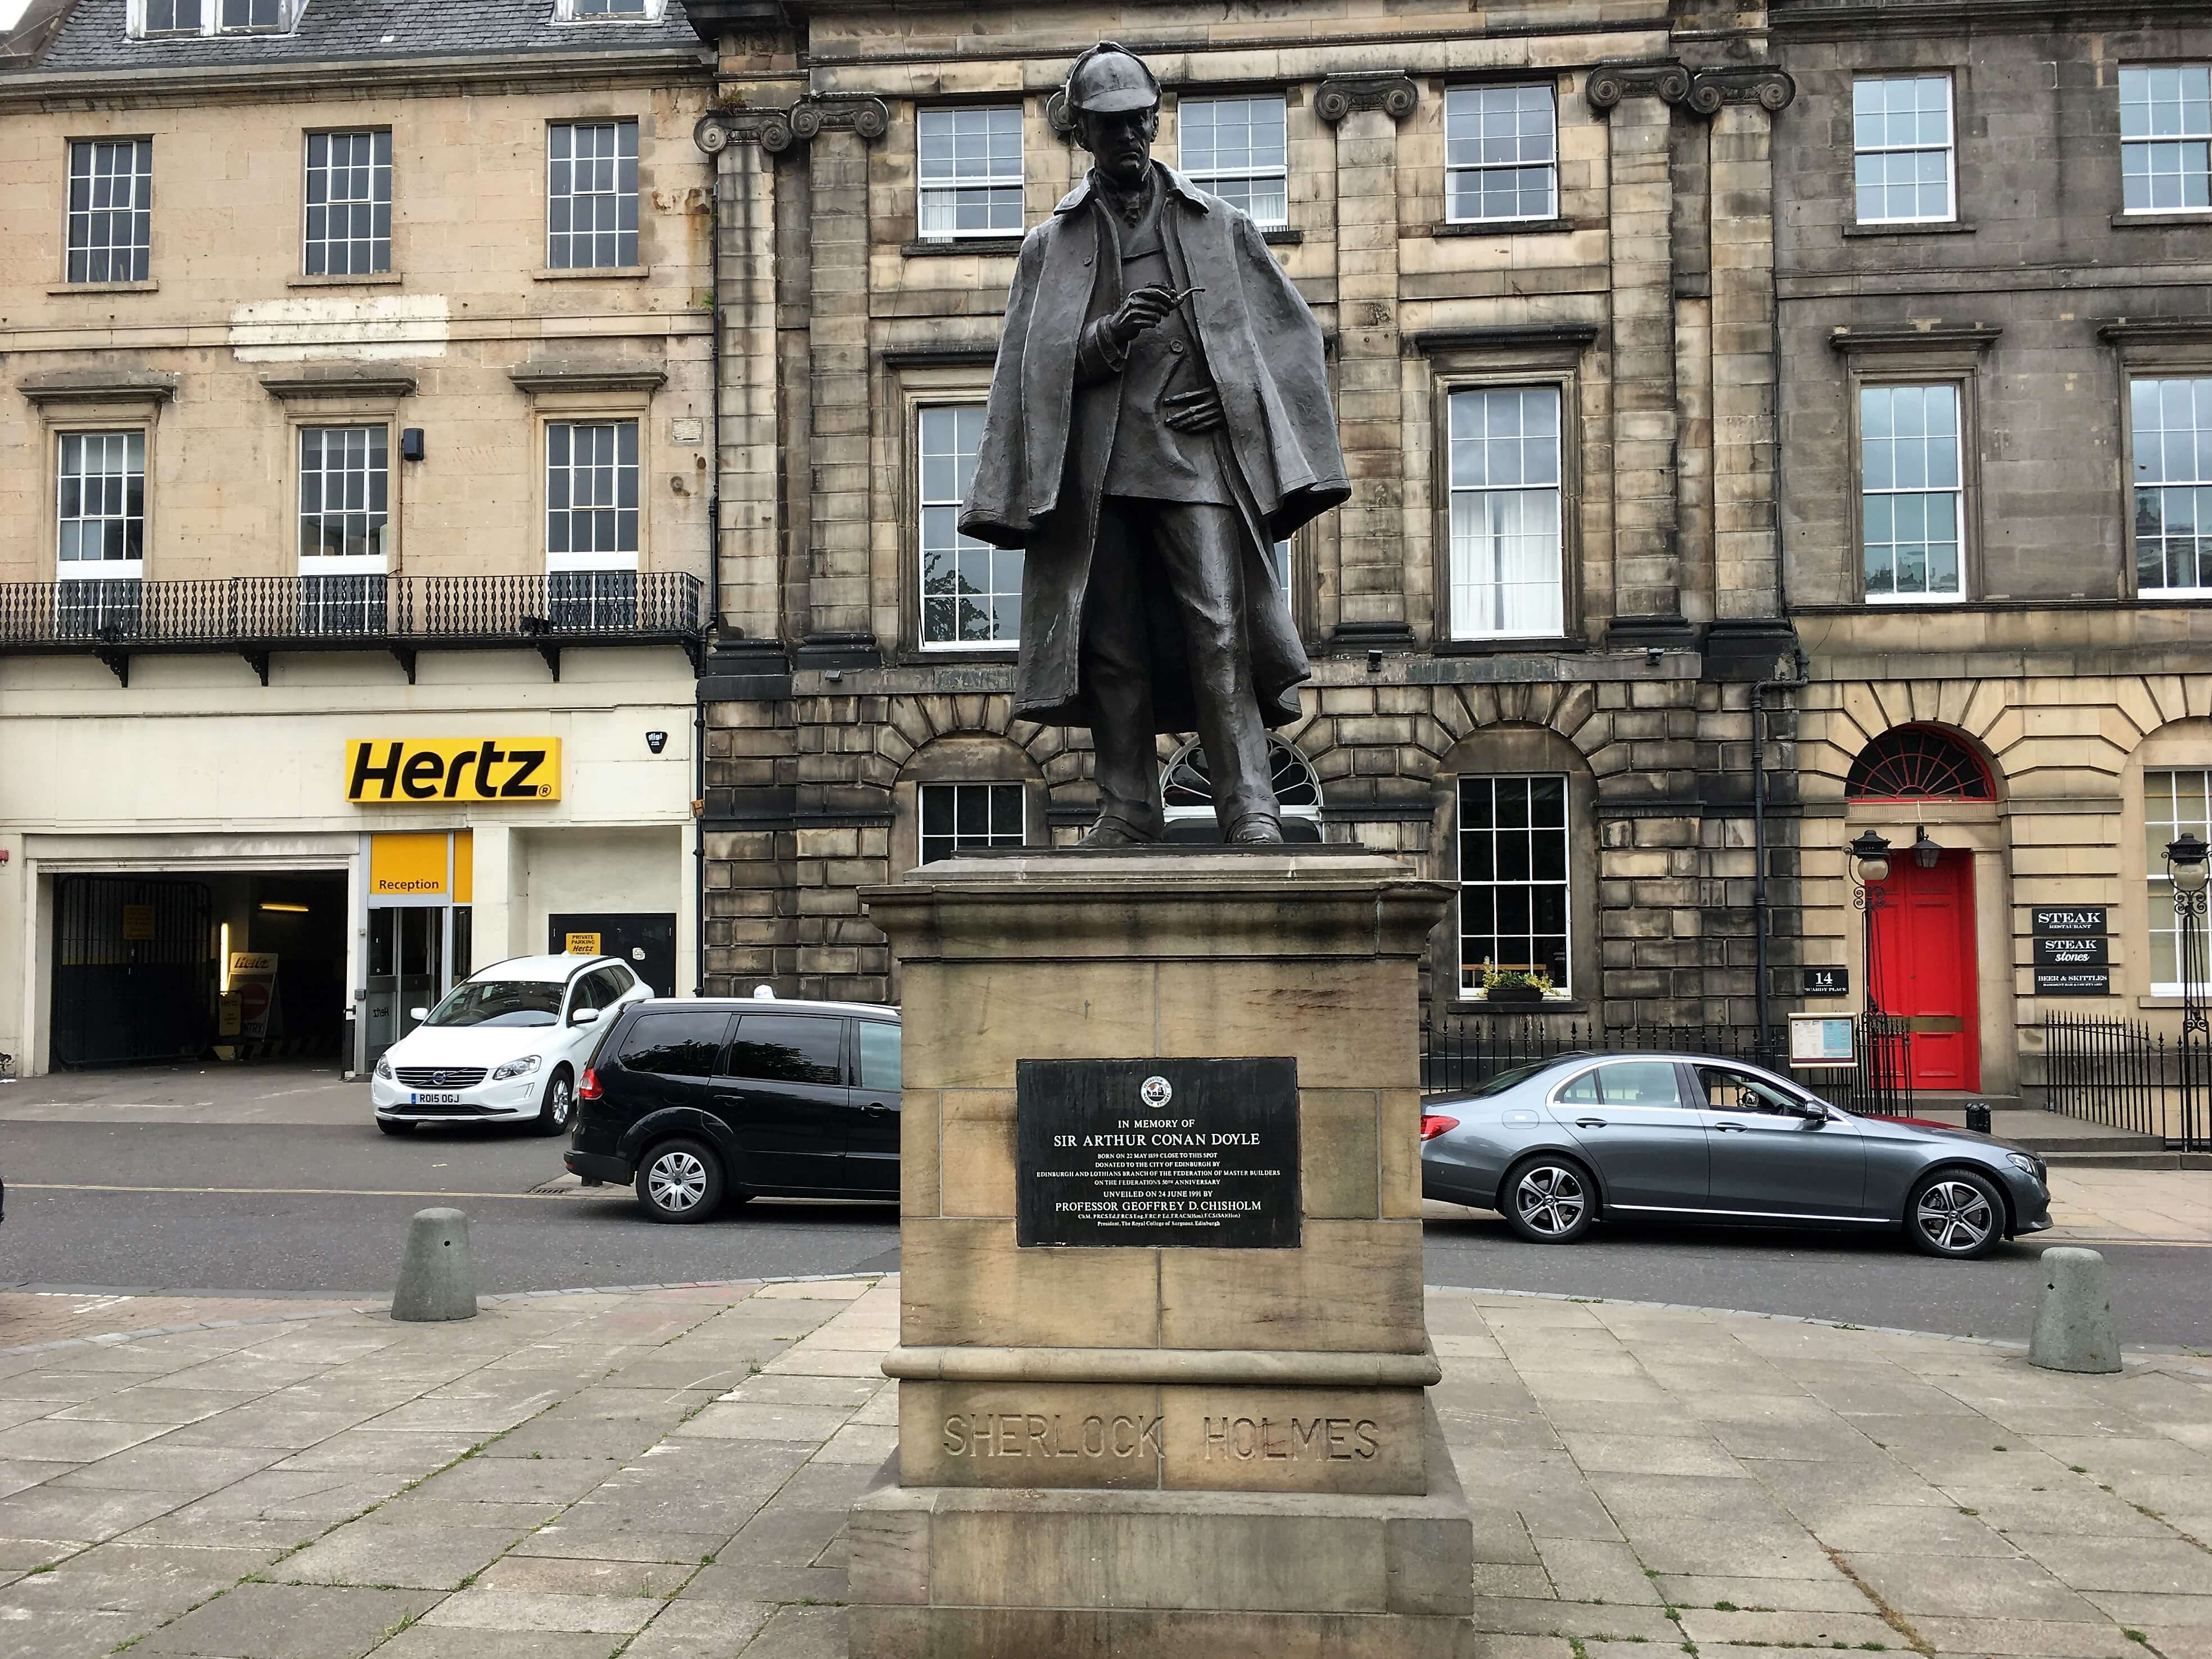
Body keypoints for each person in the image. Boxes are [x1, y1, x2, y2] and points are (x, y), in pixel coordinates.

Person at [959, 43, 1348, 847]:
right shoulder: (1051, 244)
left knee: (1220, 625)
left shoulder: (1218, 226)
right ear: (1085, 134)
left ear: (1154, 121)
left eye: (1139, 122)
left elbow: (1291, 345)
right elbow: (1027, 368)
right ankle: (1129, 804)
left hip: (1193, 461)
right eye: (1111, 127)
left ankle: (1249, 802)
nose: (1130, 139)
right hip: (1097, 470)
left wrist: (1233, 402)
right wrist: (1105, 338)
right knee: (1111, 639)